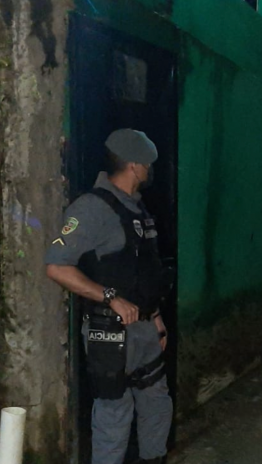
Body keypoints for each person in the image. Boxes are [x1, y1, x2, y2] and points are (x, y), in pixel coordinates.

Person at [45, 129, 172, 464]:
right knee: (114, 413)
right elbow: (57, 267)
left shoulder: (136, 207)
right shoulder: (92, 208)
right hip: (110, 332)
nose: (150, 169)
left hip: (144, 328)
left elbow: (144, 271)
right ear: (134, 165)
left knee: (156, 403)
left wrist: (156, 318)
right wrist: (110, 297)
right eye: (147, 164)